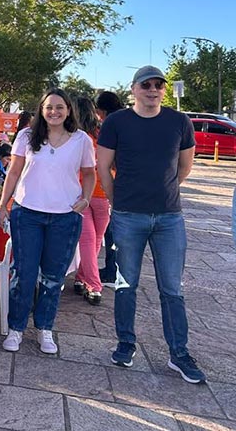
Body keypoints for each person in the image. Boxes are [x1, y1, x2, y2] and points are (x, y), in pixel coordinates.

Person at [97, 66, 206, 384]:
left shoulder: (179, 122)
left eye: (159, 84)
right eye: (147, 84)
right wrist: (119, 202)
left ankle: (179, 353)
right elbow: (104, 167)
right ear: (134, 89)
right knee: (125, 284)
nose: (154, 89)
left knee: (172, 290)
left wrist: (164, 192)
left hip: (169, 217)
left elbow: (185, 166)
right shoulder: (117, 122)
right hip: (128, 216)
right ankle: (125, 344)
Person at [0, 88, 95, 354]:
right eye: (49, 107)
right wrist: (3, 204)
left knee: (53, 277)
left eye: (59, 107)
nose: (54, 112)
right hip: (26, 212)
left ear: (69, 110)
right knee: (24, 275)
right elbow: (14, 171)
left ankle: (44, 328)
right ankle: (16, 328)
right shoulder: (27, 136)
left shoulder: (81, 140)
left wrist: (85, 198)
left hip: (65, 217)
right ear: (41, 109)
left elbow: (89, 173)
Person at [72, 96, 110, 306]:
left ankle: (90, 283)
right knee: (94, 240)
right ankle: (86, 280)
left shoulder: (75, 137)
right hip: (103, 194)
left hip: (81, 194)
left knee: (89, 240)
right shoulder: (103, 133)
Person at [94, 90, 124, 286]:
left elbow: (107, 161)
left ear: (102, 111)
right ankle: (116, 269)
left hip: (114, 184)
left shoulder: (111, 125)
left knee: (112, 231)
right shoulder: (130, 119)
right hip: (127, 182)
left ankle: (112, 271)